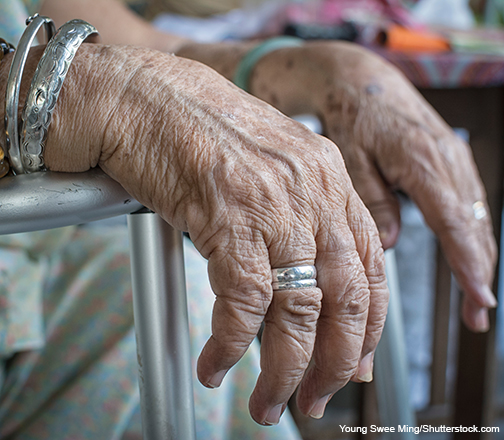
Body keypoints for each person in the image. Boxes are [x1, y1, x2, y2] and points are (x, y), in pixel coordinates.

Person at [0, 0, 496, 439]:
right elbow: (85, 72)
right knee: (184, 302)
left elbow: (138, 42)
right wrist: (89, 89)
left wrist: (321, 66)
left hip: (37, 280)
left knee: (168, 304)